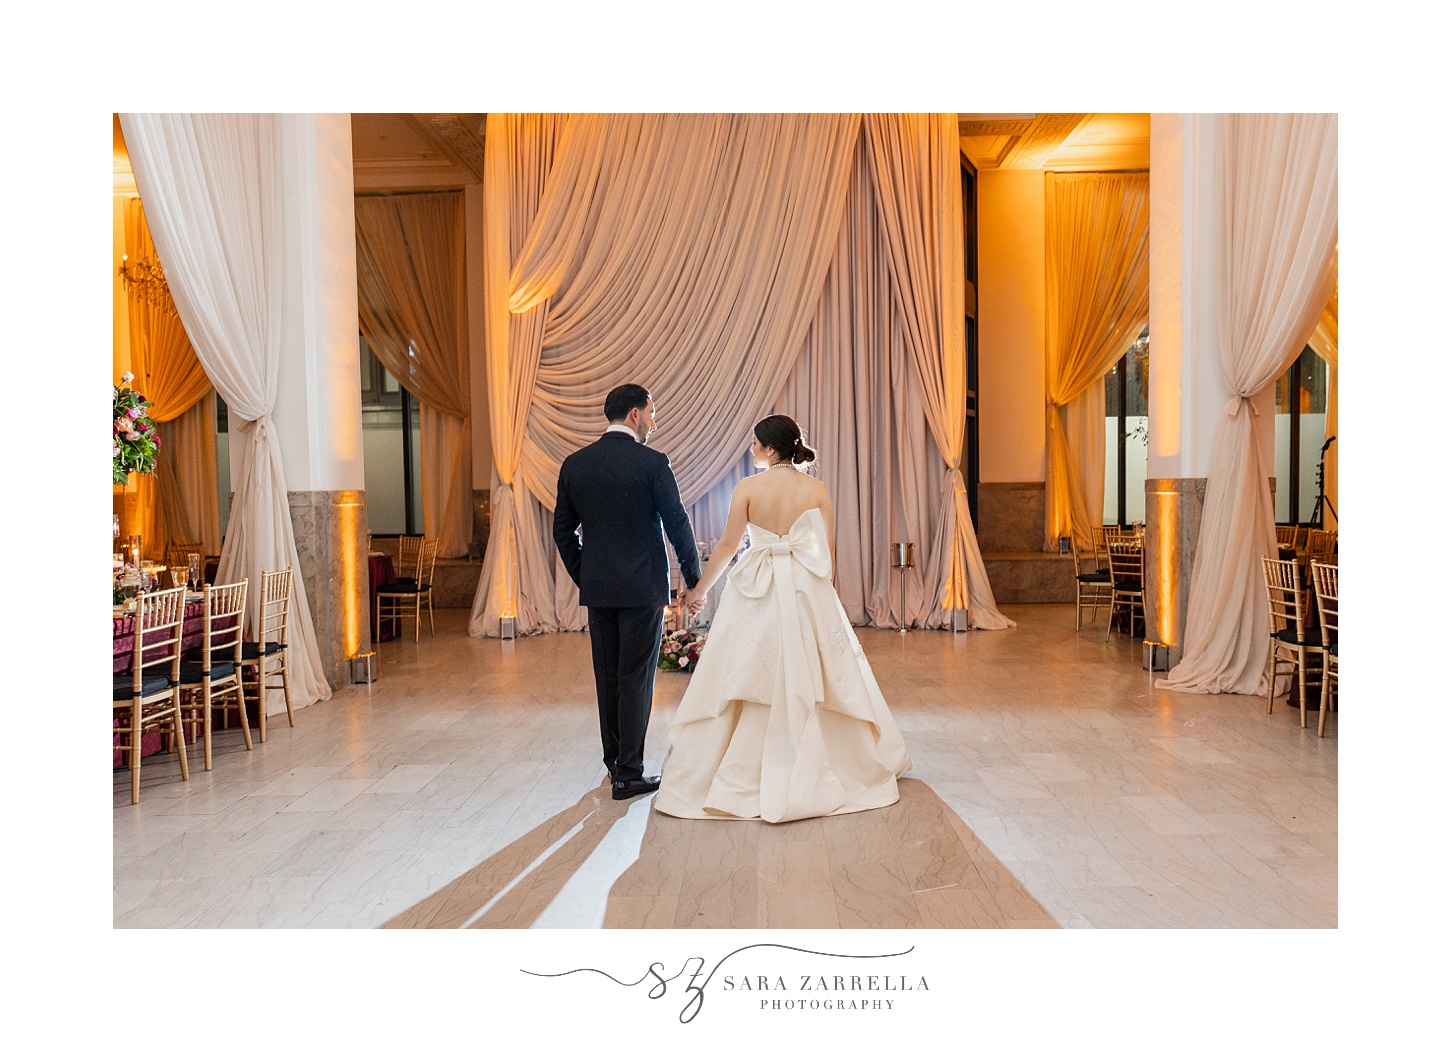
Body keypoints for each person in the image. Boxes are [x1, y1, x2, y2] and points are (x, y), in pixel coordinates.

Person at [655, 414, 911, 822]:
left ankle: (736, 773)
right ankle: (842, 765)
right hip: (805, 590)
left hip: (756, 590)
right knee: (818, 670)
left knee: (747, 669)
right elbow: (825, 557)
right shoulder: (817, 489)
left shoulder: (748, 488)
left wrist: (699, 591)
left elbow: (727, 545)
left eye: (755, 443)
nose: (751, 449)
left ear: (770, 448)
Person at [553, 384, 702, 801]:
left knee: (608, 677)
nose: (654, 423)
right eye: (652, 414)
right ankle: (629, 774)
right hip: (642, 590)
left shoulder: (575, 464)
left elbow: (562, 532)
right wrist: (693, 578)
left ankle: (614, 761)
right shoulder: (653, 463)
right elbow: (678, 524)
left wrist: (587, 576)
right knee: (636, 678)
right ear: (634, 415)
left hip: (599, 591)